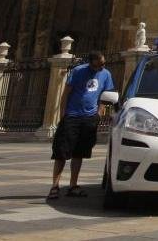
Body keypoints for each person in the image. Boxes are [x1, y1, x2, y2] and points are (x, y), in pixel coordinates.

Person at [48, 52, 115, 200]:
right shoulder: (79, 71)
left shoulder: (106, 74)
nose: (102, 67)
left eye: (103, 64)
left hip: (89, 118)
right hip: (72, 116)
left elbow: (105, 95)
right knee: (61, 152)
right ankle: (55, 186)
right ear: (91, 63)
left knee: (80, 152)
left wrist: (99, 113)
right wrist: (63, 115)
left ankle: (73, 185)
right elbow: (65, 94)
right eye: (99, 65)